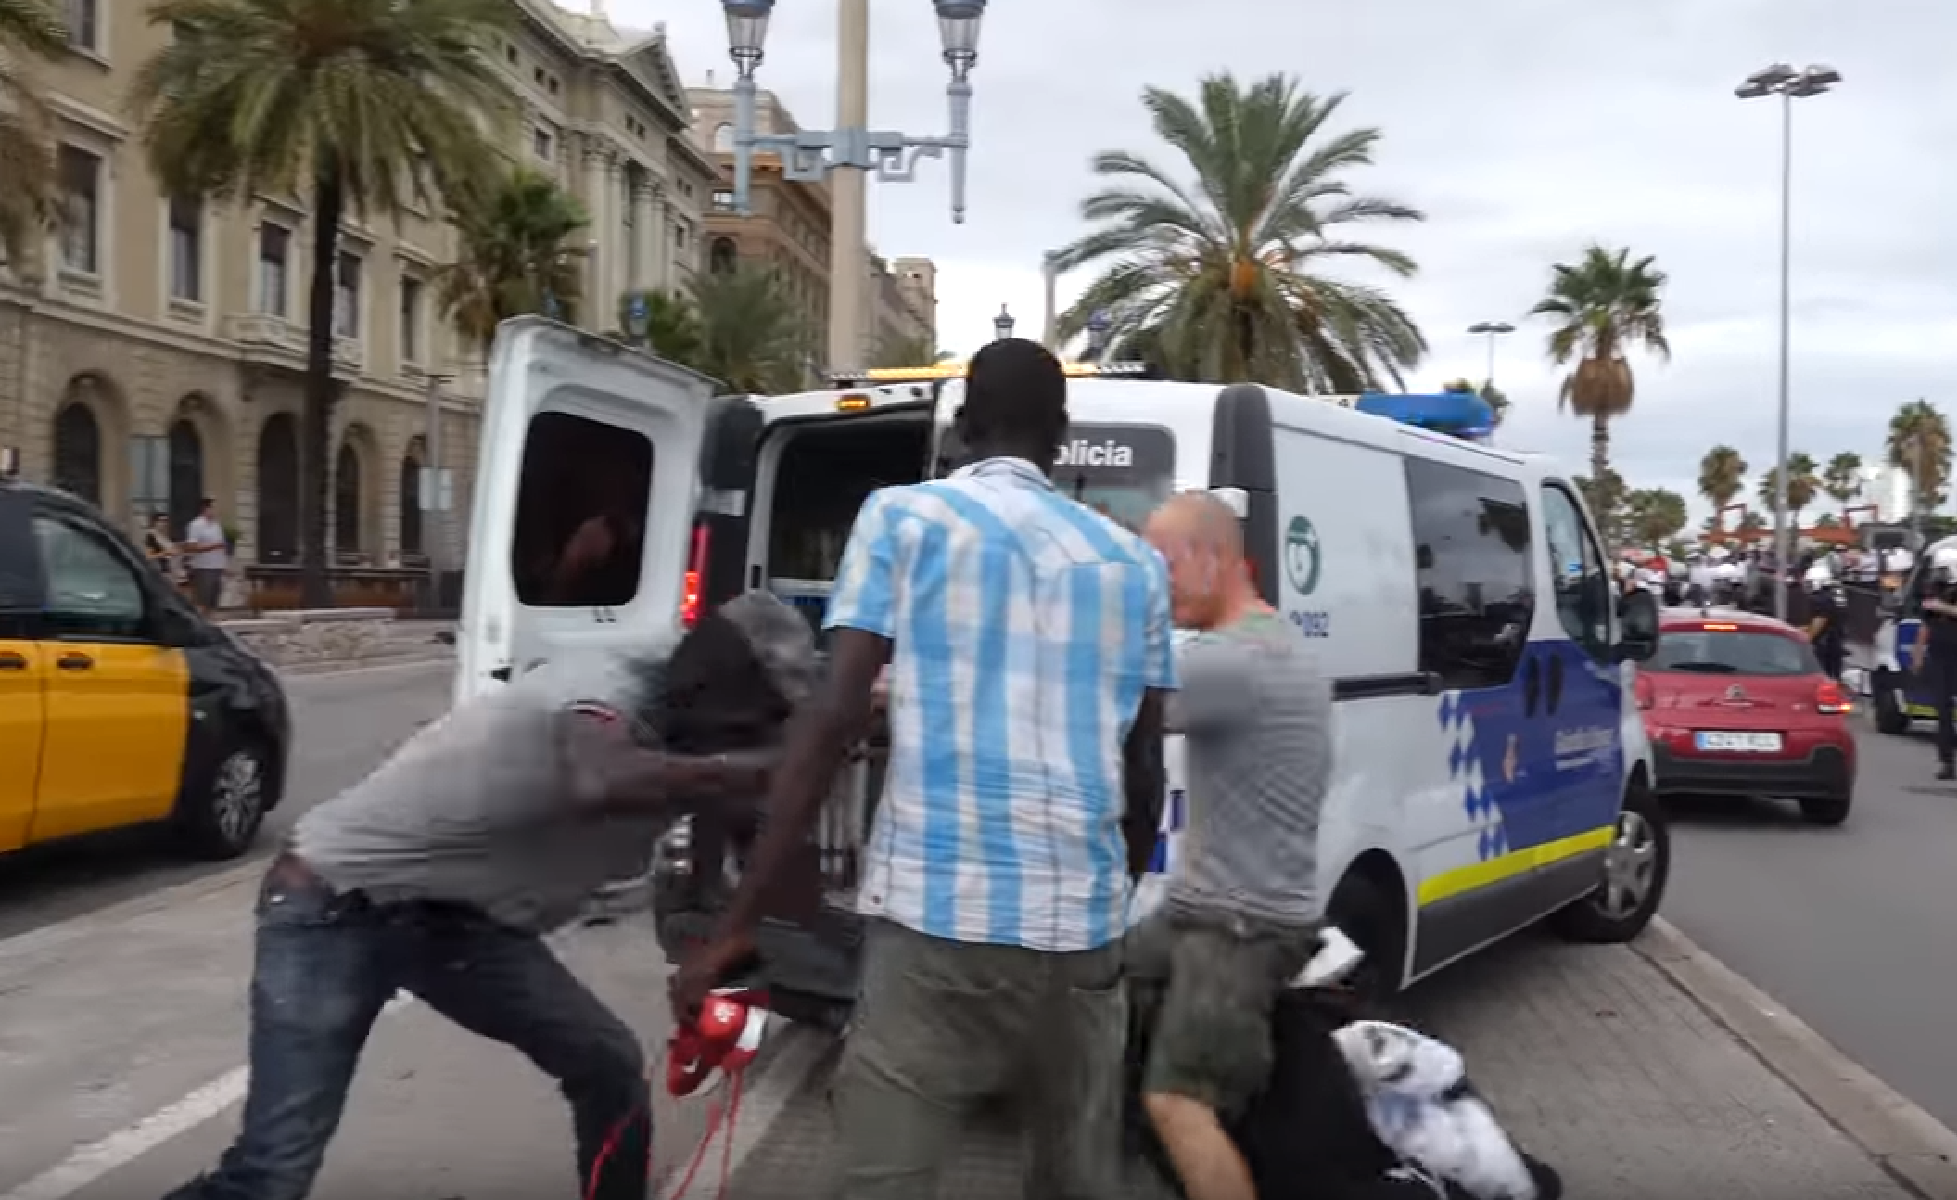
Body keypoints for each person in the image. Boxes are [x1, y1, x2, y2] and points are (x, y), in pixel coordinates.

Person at [672, 337, 1175, 1200]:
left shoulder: (903, 518)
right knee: (1078, 1176)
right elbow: (1143, 766)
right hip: (1080, 932)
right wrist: (1109, 900)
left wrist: (737, 918)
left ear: (965, 427)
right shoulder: (1136, 565)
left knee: (888, 1174)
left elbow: (830, 720)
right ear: (1059, 435)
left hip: (935, 920)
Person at [163, 591, 815, 1200]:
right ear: (716, 684)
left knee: (607, 1065)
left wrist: (725, 949)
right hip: (334, 908)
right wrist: (762, 771)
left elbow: (754, 851)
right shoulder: (607, 682)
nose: (756, 735)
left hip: (461, 925)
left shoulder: (710, 732)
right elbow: (596, 778)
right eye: (756, 717)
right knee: (273, 1169)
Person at [1127, 492, 1333, 1200]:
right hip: (1202, 907)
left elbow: (1106, 706)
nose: (1156, 587)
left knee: (1180, 1102)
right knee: (1094, 993)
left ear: (1214, 558)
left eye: (1165, 566)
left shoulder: (1230, 660)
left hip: (1240, 924)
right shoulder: (1274, 642)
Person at [1918, 551, 1957, 781]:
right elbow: (1927, 625)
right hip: (1939, 656)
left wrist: (1941, 607)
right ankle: (1946, 761)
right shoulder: (1935, 593)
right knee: (1942, 710)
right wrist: (1919, 654)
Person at [182, 498, 229, 613]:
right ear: (205, 509)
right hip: (203, 568)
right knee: (203, 600)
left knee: (214, 601)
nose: (216, 511)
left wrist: (225, 565)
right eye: (213, 508)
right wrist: (213, 546)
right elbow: (191, 547)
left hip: (217, 567)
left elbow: (221, 546)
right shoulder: (196, 525)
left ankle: (212, 623)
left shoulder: (216, 525)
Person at [1804, 565, 1847, 681]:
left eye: (1809, 582)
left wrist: (1806, 639)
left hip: (1824, 645)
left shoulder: (1819, 599)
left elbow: (1820, 621)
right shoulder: (1832, 595)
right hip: (1834, 642)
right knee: (1833, 676)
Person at [143, 511, 181, 583]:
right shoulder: (151, 536)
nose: (164, 523)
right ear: (155, 522)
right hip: (161, 571)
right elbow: (148, 556)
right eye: (161, 520)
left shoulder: (166, 536)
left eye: (166, 521)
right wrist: (165, 553)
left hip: (172, 570)